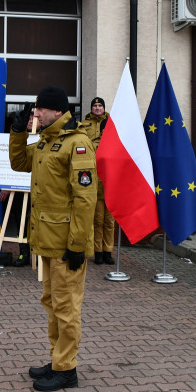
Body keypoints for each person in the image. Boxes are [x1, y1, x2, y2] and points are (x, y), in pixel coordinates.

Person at [9, 86, 97, 391]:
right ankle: (57, 359)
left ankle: (67, 370)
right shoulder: (47, 143)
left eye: (39, 110)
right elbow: (19, 163)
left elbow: (85, 199)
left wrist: (76, 246)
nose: (35, 114)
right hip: (47, 240)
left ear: (56, 112)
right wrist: (18, 132)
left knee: (66, 307)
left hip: (65, 244)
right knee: (52, 302)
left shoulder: (78, 144)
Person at [82, 96, 116, 265]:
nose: (97, 108)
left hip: (109, 177)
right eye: (94, 105)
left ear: (104, 108)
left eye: (100, 105)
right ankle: (98, 252)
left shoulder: (112, 123)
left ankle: (108, 251)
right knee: (97, 219)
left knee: (109, 221)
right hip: (93, 176)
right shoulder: (84, 125)